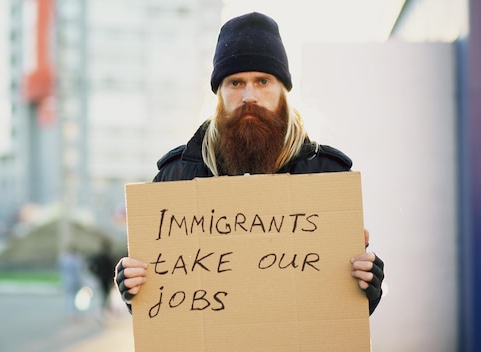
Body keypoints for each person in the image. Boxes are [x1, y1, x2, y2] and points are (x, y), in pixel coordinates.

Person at [114, 12, 384, 316]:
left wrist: (368, 283)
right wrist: (133, 286)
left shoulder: (327, 174)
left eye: (263, 81)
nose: (249, 96)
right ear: (220, 94)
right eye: (235, 82)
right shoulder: (175, 178)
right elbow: (158, 310)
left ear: (283, 91)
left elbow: (347, 311)